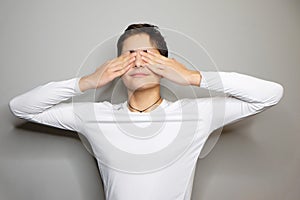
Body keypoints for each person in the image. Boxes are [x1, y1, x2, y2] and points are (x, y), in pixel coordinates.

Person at [9, 23, 284, 200]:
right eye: (129, 57)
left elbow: (269, 95)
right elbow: (21, 107)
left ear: (165, 66)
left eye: (148, 56)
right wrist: (88, 82)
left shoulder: (197, 114)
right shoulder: (95, 116)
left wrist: (191, 77)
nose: (139, 63)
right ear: (117, 68)